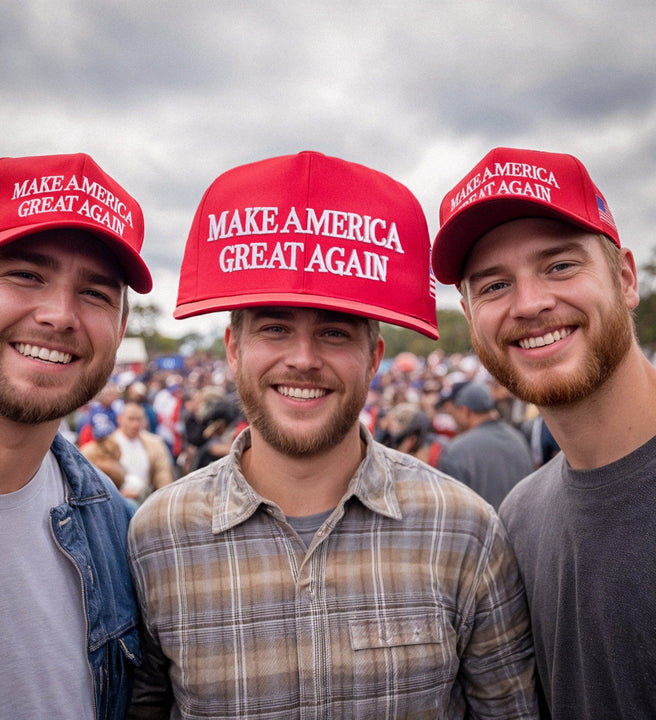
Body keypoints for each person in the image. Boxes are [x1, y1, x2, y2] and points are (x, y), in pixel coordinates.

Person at [127, 151, 538, 718]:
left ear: (373, 358)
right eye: (275, 328)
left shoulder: (464, 531)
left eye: (334, 333)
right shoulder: (157, 536)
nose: (303, 359)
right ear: (233, 348)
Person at [432, 146, 656, 718]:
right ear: (471, 314)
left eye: (559, 266)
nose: (530, 304)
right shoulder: (518, 518)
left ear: (626, 278)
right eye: (493, 286)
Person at [0, 152, 153, 719]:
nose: (60, 315)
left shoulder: (116, 527)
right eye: (26, 274)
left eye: (96, 293)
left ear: (120, 330)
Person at [437, 381, 534, 508]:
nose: (454, 419)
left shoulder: (456, 451)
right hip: (521, 525)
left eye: (454, 413)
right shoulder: (517, 438)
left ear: (465, 411)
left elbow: (453, 512)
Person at [112, 400, 175, 504]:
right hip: (119, 501)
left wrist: (166, 499)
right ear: (120, 419)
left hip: (146, 499)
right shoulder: (109, 444)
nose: (135, 424)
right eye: (131, 419)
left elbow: (163, 476)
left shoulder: (155, 443)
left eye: (139, 419)